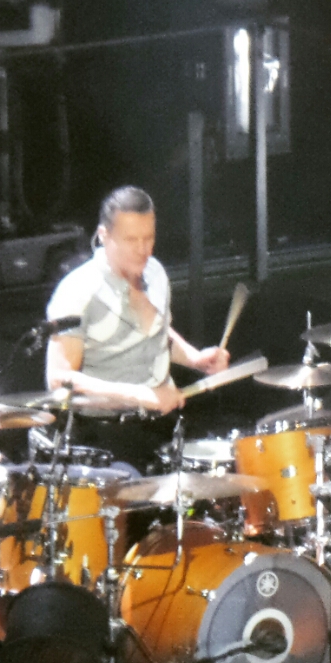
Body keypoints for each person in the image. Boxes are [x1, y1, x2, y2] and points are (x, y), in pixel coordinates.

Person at [43, 185, 230, 469]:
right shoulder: (77, 291)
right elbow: (59, 379)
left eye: (149, 238)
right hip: (104, 437)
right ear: (104, 235)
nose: (143, 250)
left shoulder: (155, 273)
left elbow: (156, 332)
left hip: (163, 425)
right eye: (131, 240)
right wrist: (139, 395)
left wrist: (195, 358)